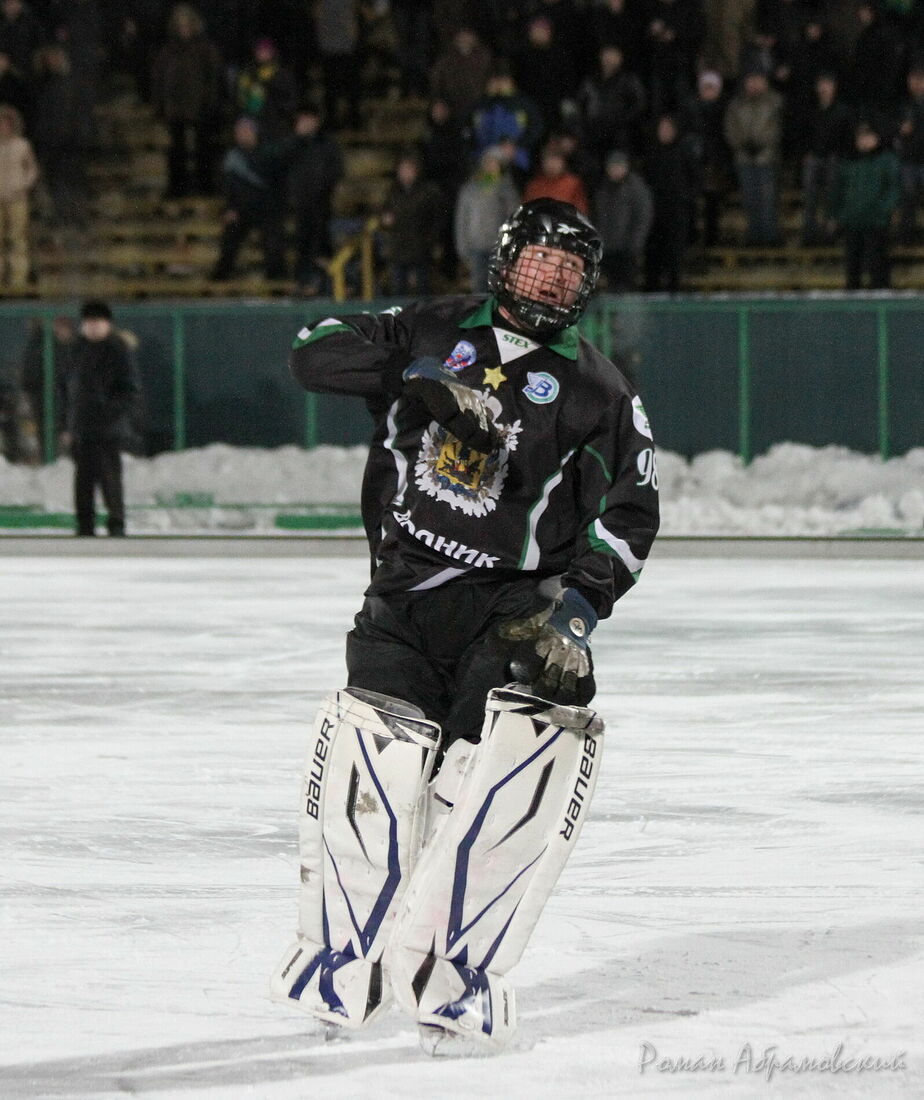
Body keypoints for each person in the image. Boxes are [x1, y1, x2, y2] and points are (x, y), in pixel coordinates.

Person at [272, 198, 659, 1053]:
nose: (550, 279)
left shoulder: (600, 390)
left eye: (568, 269)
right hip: (403, 601)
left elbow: (632, 515)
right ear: (505, 259)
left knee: (503, 772)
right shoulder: (430, 325)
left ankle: (455, 977)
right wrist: (415, 377)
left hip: (512, 617)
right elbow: (311, 352)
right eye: (539, 261)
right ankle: (341, 966)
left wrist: (578, 614)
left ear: (587, 286)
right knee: (373, 769)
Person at [59, 301, 140, 537]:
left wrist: (110, 415)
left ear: (108, 324)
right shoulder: (77, 349)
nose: (92, 327)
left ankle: (116, 522)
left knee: (109, 478)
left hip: (108, 429)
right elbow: (67, 391)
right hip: (82, 427)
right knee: (83, 480)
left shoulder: (118, 350)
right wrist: (67, 424)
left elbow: (129, 391)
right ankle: (85, 524)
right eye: (88, 322)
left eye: (97, 322)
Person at [150, 3, 223, 198]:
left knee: (203, 147)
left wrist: (210, 102)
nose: (184, 28)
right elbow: (158, 79)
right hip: (175, 108)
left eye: (187, 24)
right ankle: (177, 187)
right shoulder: (167, 51)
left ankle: (206, 186)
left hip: (200, 106)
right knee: (176, 150)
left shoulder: (205, 49)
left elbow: (213, 78)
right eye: (180, 25)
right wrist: (159, 106)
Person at [827, 121, 900, 289]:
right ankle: (853, 296)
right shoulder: (848, 162)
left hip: (876, 221)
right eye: (861, 137)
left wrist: (884, 210)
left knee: (878, 263)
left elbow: (894, 188)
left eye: (868, 137)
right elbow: (837, 191)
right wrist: (834, 215)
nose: (864, 141)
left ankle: (881, 293)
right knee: (852, 264)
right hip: (852, 220)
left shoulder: (887, 160)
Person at [287, 104, 343, 295]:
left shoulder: (327, 145)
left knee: (320, 246)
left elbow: (336, 171)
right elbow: (279, 165)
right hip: (299, 205)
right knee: (302, 246)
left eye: (308, 118)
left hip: (321, 205)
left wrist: (322, 189)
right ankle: (302, 283)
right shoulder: (292, 145)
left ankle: (321, 285)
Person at [724, 68, 784, 245]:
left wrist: (761, 143)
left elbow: (777, 129)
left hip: (767, 158)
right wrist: (743, 144)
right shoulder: (736, 104)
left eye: (758, 80)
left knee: (767, 200)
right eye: (751, 80)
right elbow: (730, 129)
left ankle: (770, 238)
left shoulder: (775, 102)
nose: (754, 84)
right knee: (750, 199)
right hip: (744, 158)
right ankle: (754, 237)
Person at [453, 144, 519, 291]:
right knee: (478, 289)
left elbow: (513, 217)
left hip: (499, 248)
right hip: (476, 247)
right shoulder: (470, 189)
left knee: (498, 288)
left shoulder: (507, 189)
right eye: (488, 162)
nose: (491, 166)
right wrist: (462, 246)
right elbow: (462, 219)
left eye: (495, 163)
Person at [379, 151, 445, 295]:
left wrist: (432, 242)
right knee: (398, 290)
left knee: (422, 289)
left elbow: (436, 220)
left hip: (420, 249)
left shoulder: (428, 192)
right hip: (398, 249)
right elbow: (383, 215)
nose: (405, 173)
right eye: (402, 169)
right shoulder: (393, 192)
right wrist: (385, 221)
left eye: (409, 169)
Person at [593, 149, 653, 290]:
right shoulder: (602, 188)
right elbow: (597, 216)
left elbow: (643, 217)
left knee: (627, 285)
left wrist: (635, 243)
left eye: (619, 166)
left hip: (628, 249)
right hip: (607, 248)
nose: (616, 170)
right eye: (612, 167)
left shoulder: (636, 188)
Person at [0, 102, 37, 292]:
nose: (3, 127)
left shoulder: (22, 145)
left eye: (6, 123)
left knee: (18, 240)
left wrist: (23, 186)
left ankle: (18, 281)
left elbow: (32, 170)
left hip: (17, 198)